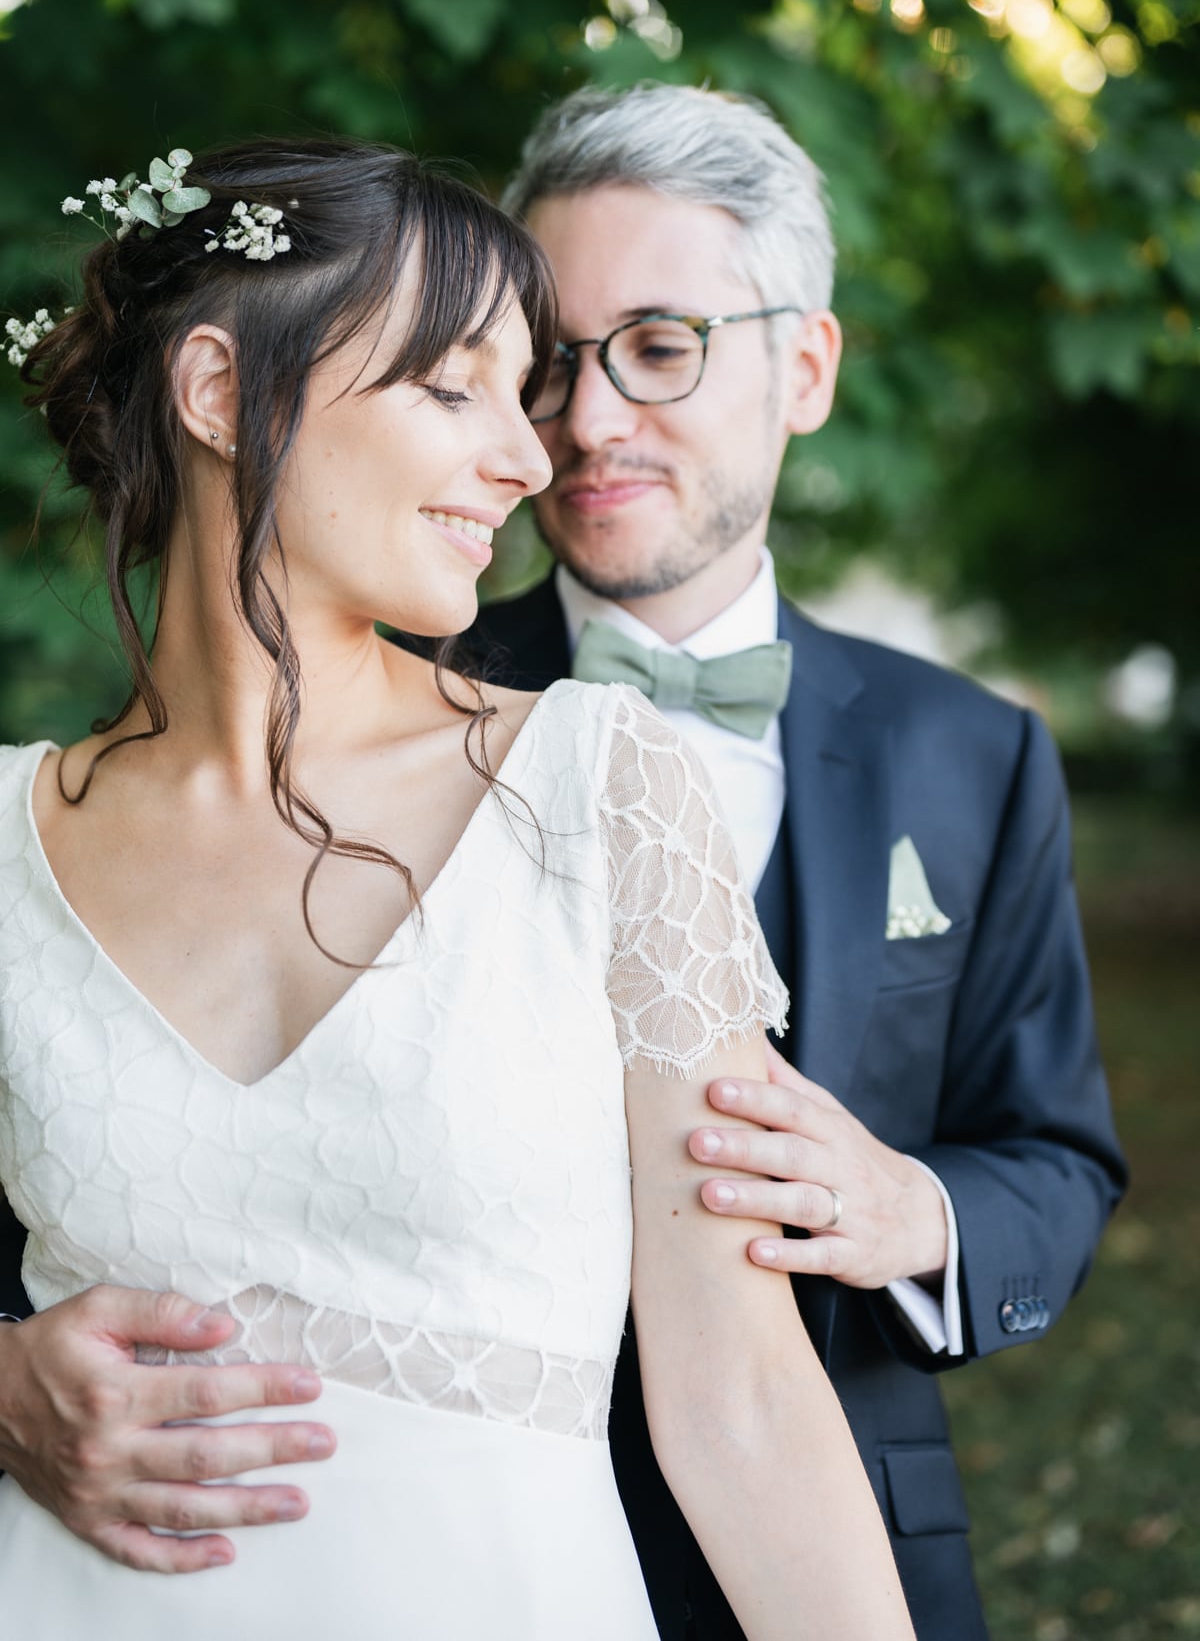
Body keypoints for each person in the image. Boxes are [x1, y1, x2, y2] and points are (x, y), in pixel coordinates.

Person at [0, 135, 916, 1639]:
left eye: (524, 386)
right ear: (222, 392)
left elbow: (743, 1398)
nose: (534, 452)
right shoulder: (4, 836)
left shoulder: (596, 792)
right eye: (455, 385)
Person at [457, 82, 1126, 1641]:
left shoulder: (974, 756)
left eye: (662, 345)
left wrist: (913, 1211)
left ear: (804, 366)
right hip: (489, 1546)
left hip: (858, 1553)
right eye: (551, 361)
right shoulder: (397, 715)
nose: (589, 419)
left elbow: (1059, 1156)